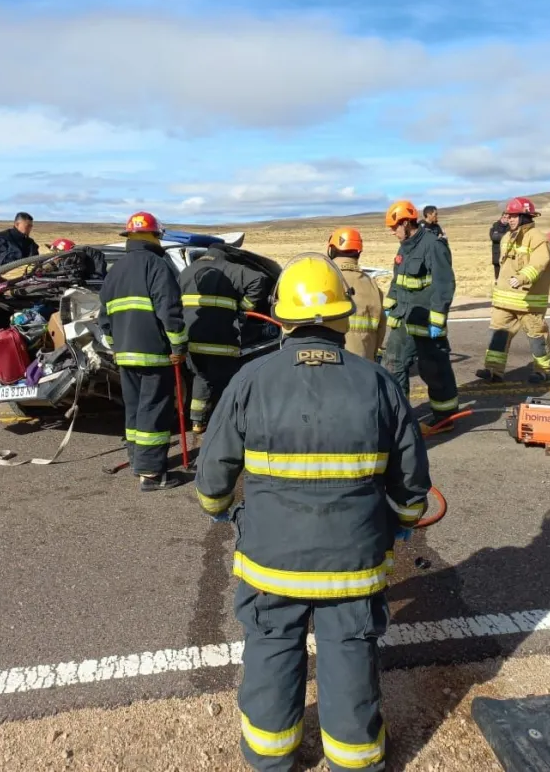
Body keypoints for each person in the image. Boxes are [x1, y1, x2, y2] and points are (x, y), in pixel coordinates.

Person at [195, 252, 431, 772]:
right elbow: (412, 483)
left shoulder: (251, 381)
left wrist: (220, 512)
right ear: (343, 316)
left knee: (272, 645)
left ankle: (270, 754)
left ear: (281, 316)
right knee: (350, 648)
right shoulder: (378, 383)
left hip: (271, 559)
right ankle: (355, 757)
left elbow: (213, 478)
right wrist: (406, 521)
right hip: (354, 562)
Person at [98, 211, 188, 492]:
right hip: (154, 354)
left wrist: (118, 348)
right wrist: (178, 346)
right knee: (154, 411)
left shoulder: (116, 271)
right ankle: (151, 474)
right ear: (155, 236)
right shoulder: (157, 266)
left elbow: (104, 319)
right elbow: (169, 312)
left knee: (135, 411)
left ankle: (138, 460)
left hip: (124, 356)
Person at [383, 200, 458, 429]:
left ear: (406, 222)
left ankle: (445, 418)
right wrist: (390, 305)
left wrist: (437, 318)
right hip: (405, 318)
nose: (393, 232)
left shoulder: (433, 245)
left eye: (395, 227)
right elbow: (398, 280)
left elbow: (444, 284)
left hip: (426, 321)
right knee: (393, 363)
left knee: (433, 368)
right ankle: (399, 418)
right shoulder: (404, 246)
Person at [179, 244, 269, 435]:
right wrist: (244, 307)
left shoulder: (186, 272)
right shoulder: (230, 268)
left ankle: (197, 422)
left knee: (201, 379)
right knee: (226, 383)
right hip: (222, 340)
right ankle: (225, 425)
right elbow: (259, 279)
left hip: (193, 340)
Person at [477, 197, 550, 384]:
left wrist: (522, 278)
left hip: (529, 301)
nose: (509, 219)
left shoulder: (537, 238)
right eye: (508, 215)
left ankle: (542, 371)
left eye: (513, 216)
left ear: (525, 216)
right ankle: (494, 371)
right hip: (505, 300)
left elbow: (539, 263)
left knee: (537, 338)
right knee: (498, 335)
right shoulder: (506, 237)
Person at [326, 226, 386, 361]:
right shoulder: (372, 285)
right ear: (358, 252)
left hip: (331, 362)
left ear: (332, 250)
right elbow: (381, 328)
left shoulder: (324, 279)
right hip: (364, 363)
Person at [489, 212, 510, 282]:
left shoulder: (511, 227)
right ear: (501, 217)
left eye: (508, 218)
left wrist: (499, 235)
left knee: (506, 267)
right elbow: (494, 237)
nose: (506, 219)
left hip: (507, 252)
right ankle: (497, 281)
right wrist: (506, 236)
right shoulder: (495, 226)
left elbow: (512, 237)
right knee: (497, 267)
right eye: (505, 217)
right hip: (496, 251)